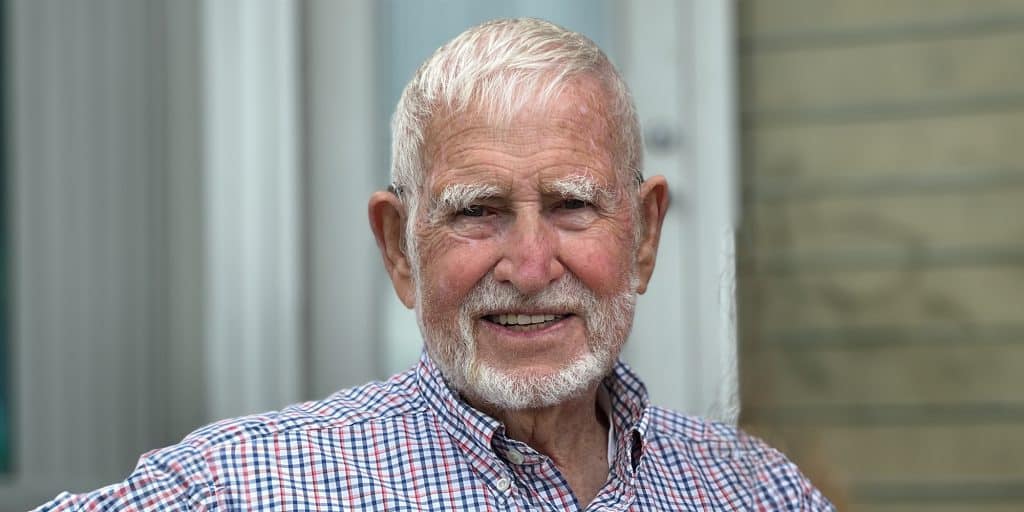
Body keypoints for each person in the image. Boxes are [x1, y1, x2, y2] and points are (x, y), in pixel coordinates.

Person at [37, 18, 834, 511]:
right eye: (477, 211)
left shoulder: (757, 492)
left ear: (646, 236)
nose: (527, 267)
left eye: (571, 205)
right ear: (399, 248)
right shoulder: (243, 488)